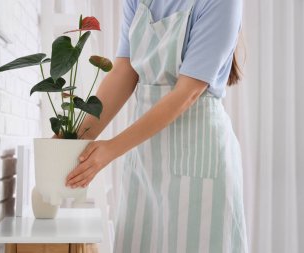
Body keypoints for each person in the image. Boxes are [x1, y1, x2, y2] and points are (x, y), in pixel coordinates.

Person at [66, 0, 248, 252]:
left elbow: (187, 93)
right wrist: (72, 139)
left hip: (199, 154)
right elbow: (123, 72)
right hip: (146, 158)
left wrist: (109, 150)